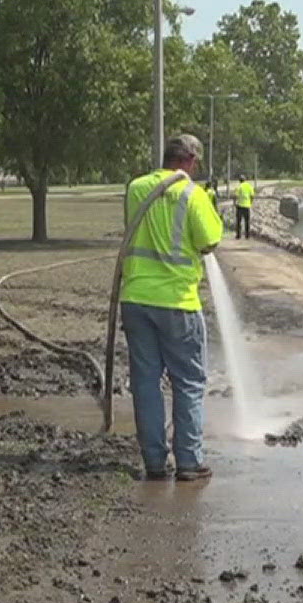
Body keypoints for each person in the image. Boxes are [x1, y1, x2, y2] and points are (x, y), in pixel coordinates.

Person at [120, 133, 224, 481]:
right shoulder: (191, 195)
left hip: (136, 299)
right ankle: (189, 462)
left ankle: (153, 461)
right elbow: (209, 240)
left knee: (146, 383)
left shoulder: (136, 188)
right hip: (177, 302)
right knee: (189, 381)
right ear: (190, 161)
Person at [233, 173, 256, 239]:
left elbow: (235, 196)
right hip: (247, 206)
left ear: (239, 180)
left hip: (240, 206)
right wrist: (251, 202)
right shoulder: (249, 186)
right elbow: (252, 196)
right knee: (247, 221)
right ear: (245, 180)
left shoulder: (239, 187)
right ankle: (247, 235)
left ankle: (238, 235)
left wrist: (234, 203)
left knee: (238, 221)